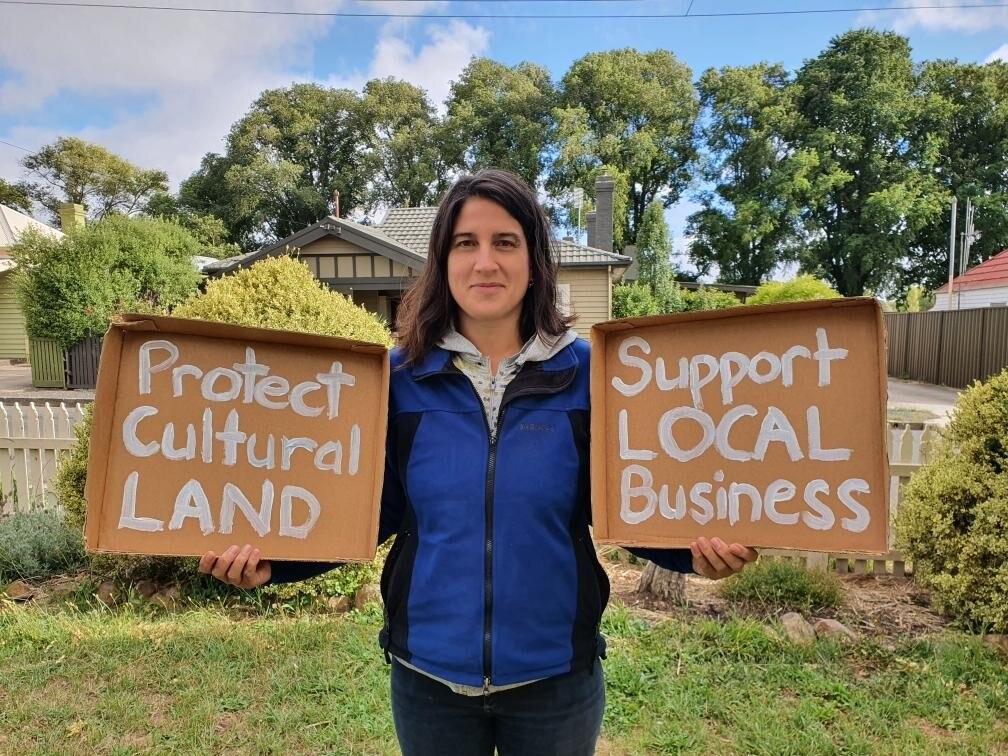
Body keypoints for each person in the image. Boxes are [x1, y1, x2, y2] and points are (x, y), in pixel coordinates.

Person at [199, 168, 758, 755]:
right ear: (442, 261)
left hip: (556, 681)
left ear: (535, 261)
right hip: (429, 679)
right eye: (466, 243)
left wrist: (696, 555)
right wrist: (274, 565)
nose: (484, 262)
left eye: (505, 242)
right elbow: (365, 513)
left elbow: (626, 506)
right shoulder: (393, 382)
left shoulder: (595, 377)